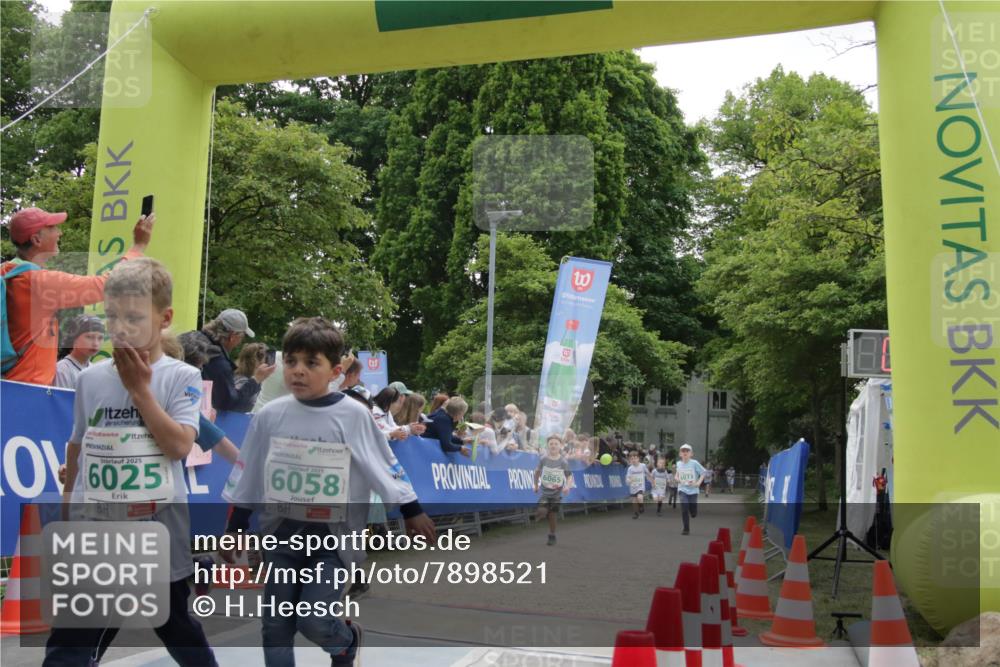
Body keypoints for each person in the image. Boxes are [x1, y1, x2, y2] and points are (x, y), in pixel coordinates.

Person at [220, 316, 436, 666]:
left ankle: (346, 642)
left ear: (335, 370)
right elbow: (250, 473)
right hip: (280, 534)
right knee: (275, 627)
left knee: (314, 619)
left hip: (333, 539)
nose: (298, 371)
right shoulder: (269, 415)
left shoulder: (353, 415)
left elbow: (382, 463)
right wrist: (235, 529)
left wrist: (412, 511)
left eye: (311, 363)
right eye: (291, 362)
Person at [46, 258, 217, 666]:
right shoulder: (90, 378)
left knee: (178, 629)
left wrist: (140, 391)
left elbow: (179, 446)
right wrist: (69, 510)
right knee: (70, 642)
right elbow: (78, 444)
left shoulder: (180, 377)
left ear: (164, 318)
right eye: (112, 316)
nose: (120, 328)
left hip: (157, 530)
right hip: (97, 530)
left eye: (134, 317)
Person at [2, 207, 153, 385]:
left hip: (8, 384)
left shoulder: (6, 272)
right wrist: (138, 246)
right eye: (52, 228)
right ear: (36, 239)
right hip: (30, 390)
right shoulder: (38, 281)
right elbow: (107, 285)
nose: (60, 232)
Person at [168, 332, 240, 464]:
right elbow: (220, 444)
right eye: (199, 369)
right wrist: (248, 467)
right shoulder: (180, 399)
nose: (200, 374)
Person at [190, 309, 275, 412]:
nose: (240, 342)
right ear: (232, 336)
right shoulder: (217, 362)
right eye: (241, 337)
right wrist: (256, 379)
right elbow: (230, 404)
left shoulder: (187, 338)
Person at [534, 434, 573, 546]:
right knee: (542, 511)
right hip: (545, 493)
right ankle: (541, 512)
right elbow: (536, 472)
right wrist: (535, 485)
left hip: (556, 494)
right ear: (547, 446)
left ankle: (552, 535)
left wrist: (567, 486)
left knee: (552, 515)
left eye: (556, 443)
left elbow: (569, 476)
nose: (553, 445)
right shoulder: (543, 459)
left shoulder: (563, 462)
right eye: (551, 443)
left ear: (560, 446)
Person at [53, 314, 105, 389]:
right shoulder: (63, 370)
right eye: (89, 337)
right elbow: (61, 400)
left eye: (100, 338)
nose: (96, 343)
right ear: (74, 338)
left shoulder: (94, 369)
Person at [675, 443, 706, 535]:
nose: (685, 452)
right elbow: (677, 475)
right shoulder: (679, 463)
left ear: (691, 454)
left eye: (687, 451)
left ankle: (693, 511)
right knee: (684, 508)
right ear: (680, 454)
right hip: (682, 489)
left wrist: (698, 483)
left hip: (693, 490)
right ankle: (686, 528)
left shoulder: (694, 463)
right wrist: (677, 478)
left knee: (693, 512)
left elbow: (704, 472)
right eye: (683, 451)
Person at [232, 342, 267, 411]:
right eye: (265, 360)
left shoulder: (238, 376)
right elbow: (235, 402)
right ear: (256, 362)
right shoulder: (242, 381)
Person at [626, 451, 647, 519]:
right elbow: (628, 477)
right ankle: (636, 513)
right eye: (632, 459)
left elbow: (647, 473)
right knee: (634, 501)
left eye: (635, 458)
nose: (633, 460)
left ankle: (641, 506)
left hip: (640, 486)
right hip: (633, 486)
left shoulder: (643, 466)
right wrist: (628, 480)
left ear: (638, 458)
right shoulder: (630, 468)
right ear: (630, 460)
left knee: (640, 497)